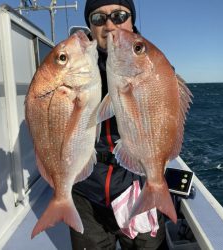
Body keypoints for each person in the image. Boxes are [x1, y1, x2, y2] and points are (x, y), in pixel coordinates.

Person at [71, 1, 168, 249]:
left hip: (136, 184)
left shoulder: (152, 62)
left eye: (119, 15)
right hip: (86, 193)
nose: (110, 25)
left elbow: (167, 117)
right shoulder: (77, 65)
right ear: (90, 27)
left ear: (132, 20)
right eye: (98, 18)